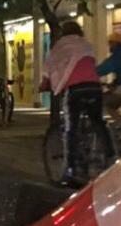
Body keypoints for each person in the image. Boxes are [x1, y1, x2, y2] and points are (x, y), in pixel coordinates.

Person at [40, 19, 112, 187]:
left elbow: (50, 68)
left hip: (76, 89)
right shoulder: (86, 45)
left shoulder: (60, 47)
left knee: (71, 128)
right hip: (94, 87)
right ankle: (110, 155)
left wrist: (45, 85)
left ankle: (71, 168)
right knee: (97, 121)